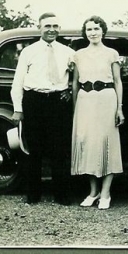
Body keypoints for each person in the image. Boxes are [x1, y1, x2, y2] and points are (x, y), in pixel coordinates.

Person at [11, 12, 75, 205]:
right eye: (47, 26)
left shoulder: (67, 52)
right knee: (34, 149)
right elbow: (18, 82)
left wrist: (70, 92)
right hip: (34, 101)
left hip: (57, 102)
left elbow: (75, 78)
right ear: (39, 27)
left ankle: (61, 195)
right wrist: (18, 108)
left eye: (55, 26)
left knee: (59, 149)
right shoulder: (28, 52)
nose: (51, 30)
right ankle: (33, 194)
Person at [71, 15, 124, 210]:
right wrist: (75, 108)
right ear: (85, 33)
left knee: (106, 143)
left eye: (96, 28)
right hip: (85, 100)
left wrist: (119, 108)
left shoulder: (111, 53)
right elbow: (75, 83)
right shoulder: (79, 55)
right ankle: (93, 192)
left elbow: (118, 82)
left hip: (107, 99)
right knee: (87, 144)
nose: (92, 32)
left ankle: (105, 193)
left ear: (103, 30)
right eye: (89, 29)